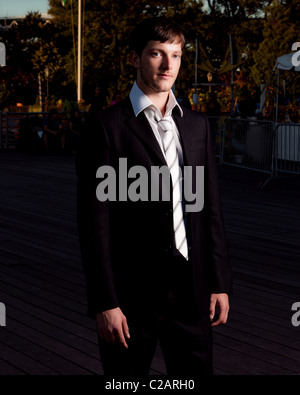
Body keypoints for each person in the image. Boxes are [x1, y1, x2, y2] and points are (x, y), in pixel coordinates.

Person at [76, 17, 232, 376]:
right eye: (156, 54)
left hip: (192, 290)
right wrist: (105, 302)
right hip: (132, 296)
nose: (167, 65)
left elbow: (209, 210)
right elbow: (94, 224)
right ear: (135, 58)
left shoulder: (196, 124)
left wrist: (220, 281)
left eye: (175, 55)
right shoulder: (107, 126)